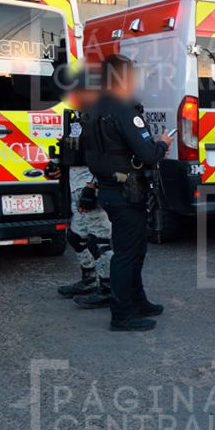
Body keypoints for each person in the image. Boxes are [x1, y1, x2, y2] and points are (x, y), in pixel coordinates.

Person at [84, 55, 171, 331]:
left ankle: (137, 301)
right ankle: (121, 315)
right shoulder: (125, 111)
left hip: (109, 190)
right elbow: (147, 154)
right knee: (126, 254)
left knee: (136, 250)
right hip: (127, 193)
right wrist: (162, 145)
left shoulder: (92, 110)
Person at [47, 62, 114, 308]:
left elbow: (111, 156)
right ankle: (88, 280)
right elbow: (68, 143)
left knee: (100, 239)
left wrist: (93, 185)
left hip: (91, 184)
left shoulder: (104, 115)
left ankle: (107, 288)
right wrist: (55, 163)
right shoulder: (78, 114)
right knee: (76, 238)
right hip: (75, 183)